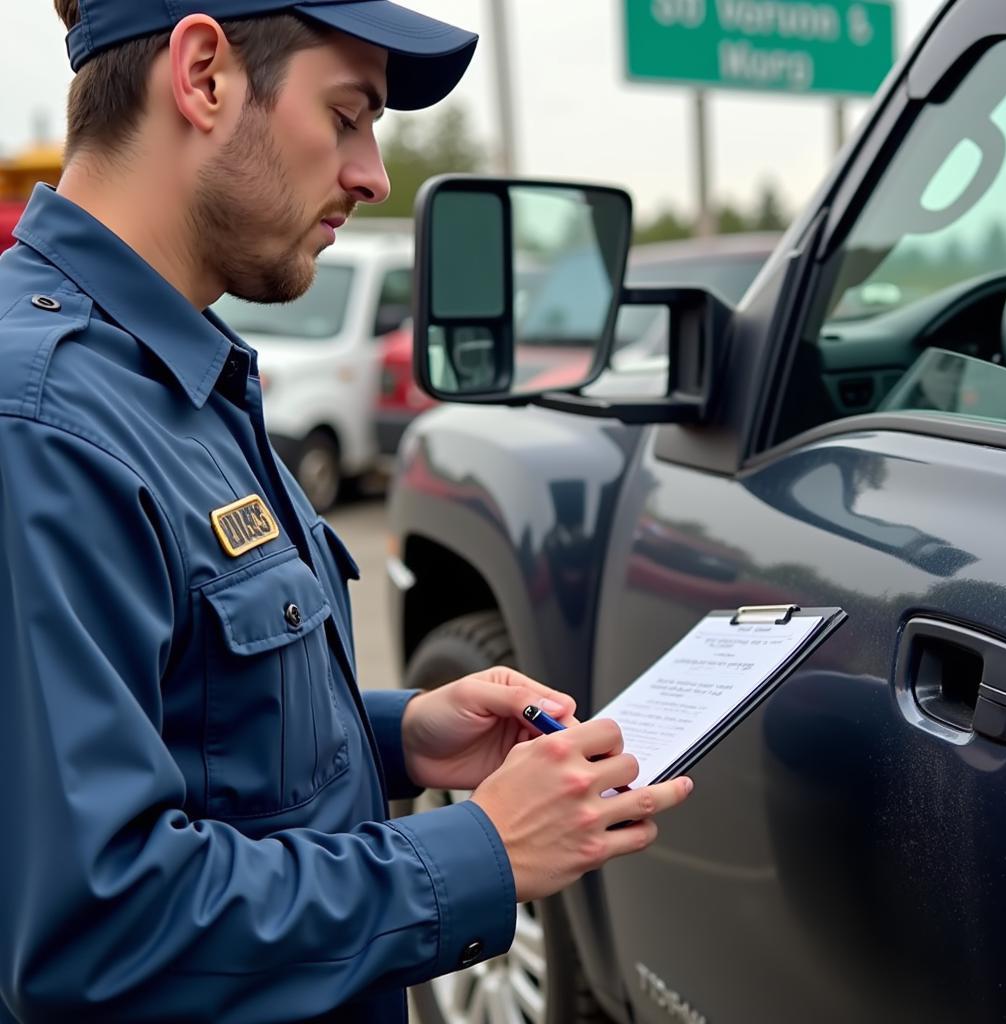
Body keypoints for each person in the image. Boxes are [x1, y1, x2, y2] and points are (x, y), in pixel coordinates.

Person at [0, 3, 692, 1021]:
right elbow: (90, 931)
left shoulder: (169, 376)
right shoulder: (45, 423)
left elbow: (185, 725)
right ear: (202, 76)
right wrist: (478, 852)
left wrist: (398, 737)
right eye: (348, 114)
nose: (371, 174)